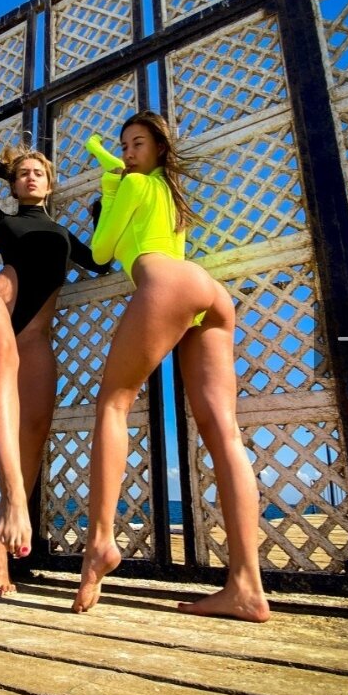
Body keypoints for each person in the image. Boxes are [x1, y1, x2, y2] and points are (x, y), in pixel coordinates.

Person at [72, 111, 270, 623]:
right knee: (224, 432)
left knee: (113, 404)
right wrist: (114, 176)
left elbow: (101, 250)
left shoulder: (136, 184)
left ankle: (100, 542)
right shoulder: (166, 191)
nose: (128, 152)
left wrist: (111, 186)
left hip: (166, 284)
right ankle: (247, 587)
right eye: (124, 145)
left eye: (137, 143)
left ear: (159, 147)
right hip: (209, 293)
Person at [0, 142, 110, 596]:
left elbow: (101, 262)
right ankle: (13, 502)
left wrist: (102, 210)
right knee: (2, 358)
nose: (30, 177)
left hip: (34, 337)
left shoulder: (63, 234)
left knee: (36, 430)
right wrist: (7, 167)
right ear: (13, 184)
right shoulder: (3, 221)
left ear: (50, 185)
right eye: (23, 174)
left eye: (38, 173)